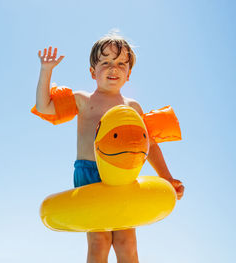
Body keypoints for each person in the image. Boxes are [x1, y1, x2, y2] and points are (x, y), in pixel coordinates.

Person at [32, 32, 185, 263]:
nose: (113, 68)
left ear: (129, 74)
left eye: (121, 63)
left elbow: (150, 144)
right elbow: (44, 107)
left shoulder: (132, 106)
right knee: (98, 241)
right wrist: (46, 70)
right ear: (93, 72)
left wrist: (168, 178)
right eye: (105, 63)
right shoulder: (83, 100)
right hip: (90, 172)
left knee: (127, 243)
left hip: (123, 175)